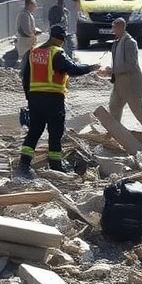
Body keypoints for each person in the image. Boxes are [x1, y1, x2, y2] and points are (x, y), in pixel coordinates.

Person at [19, 25, 98, 176]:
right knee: (55, 134)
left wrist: (29, 98)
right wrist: (90, 68)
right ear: (60, 39)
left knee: (34, 132)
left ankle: (24, 164)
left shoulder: (33, 52)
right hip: (53, 99)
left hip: (35, 99)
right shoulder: (56, 52)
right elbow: (72, 69)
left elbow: (25, 77)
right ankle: (55, 166)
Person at [104, 17, 142, 133]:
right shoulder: (117, 42)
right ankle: (115, 134)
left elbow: (131, 65)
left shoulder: (129, 43)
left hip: (130, 84)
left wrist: (112, 70)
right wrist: (109, 70)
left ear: (120, 28)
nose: (113, 31)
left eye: (114, 28)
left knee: (138, 111)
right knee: (114, 108)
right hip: (118, 84)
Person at [15, 0, 40, 66]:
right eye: (34, 4)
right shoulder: (24, 15)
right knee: (26, 64)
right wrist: (34, 34)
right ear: (29, 5)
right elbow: (26, 31)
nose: (35, 6)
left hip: (28, 43)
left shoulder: (28, 14)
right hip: (25, 43)